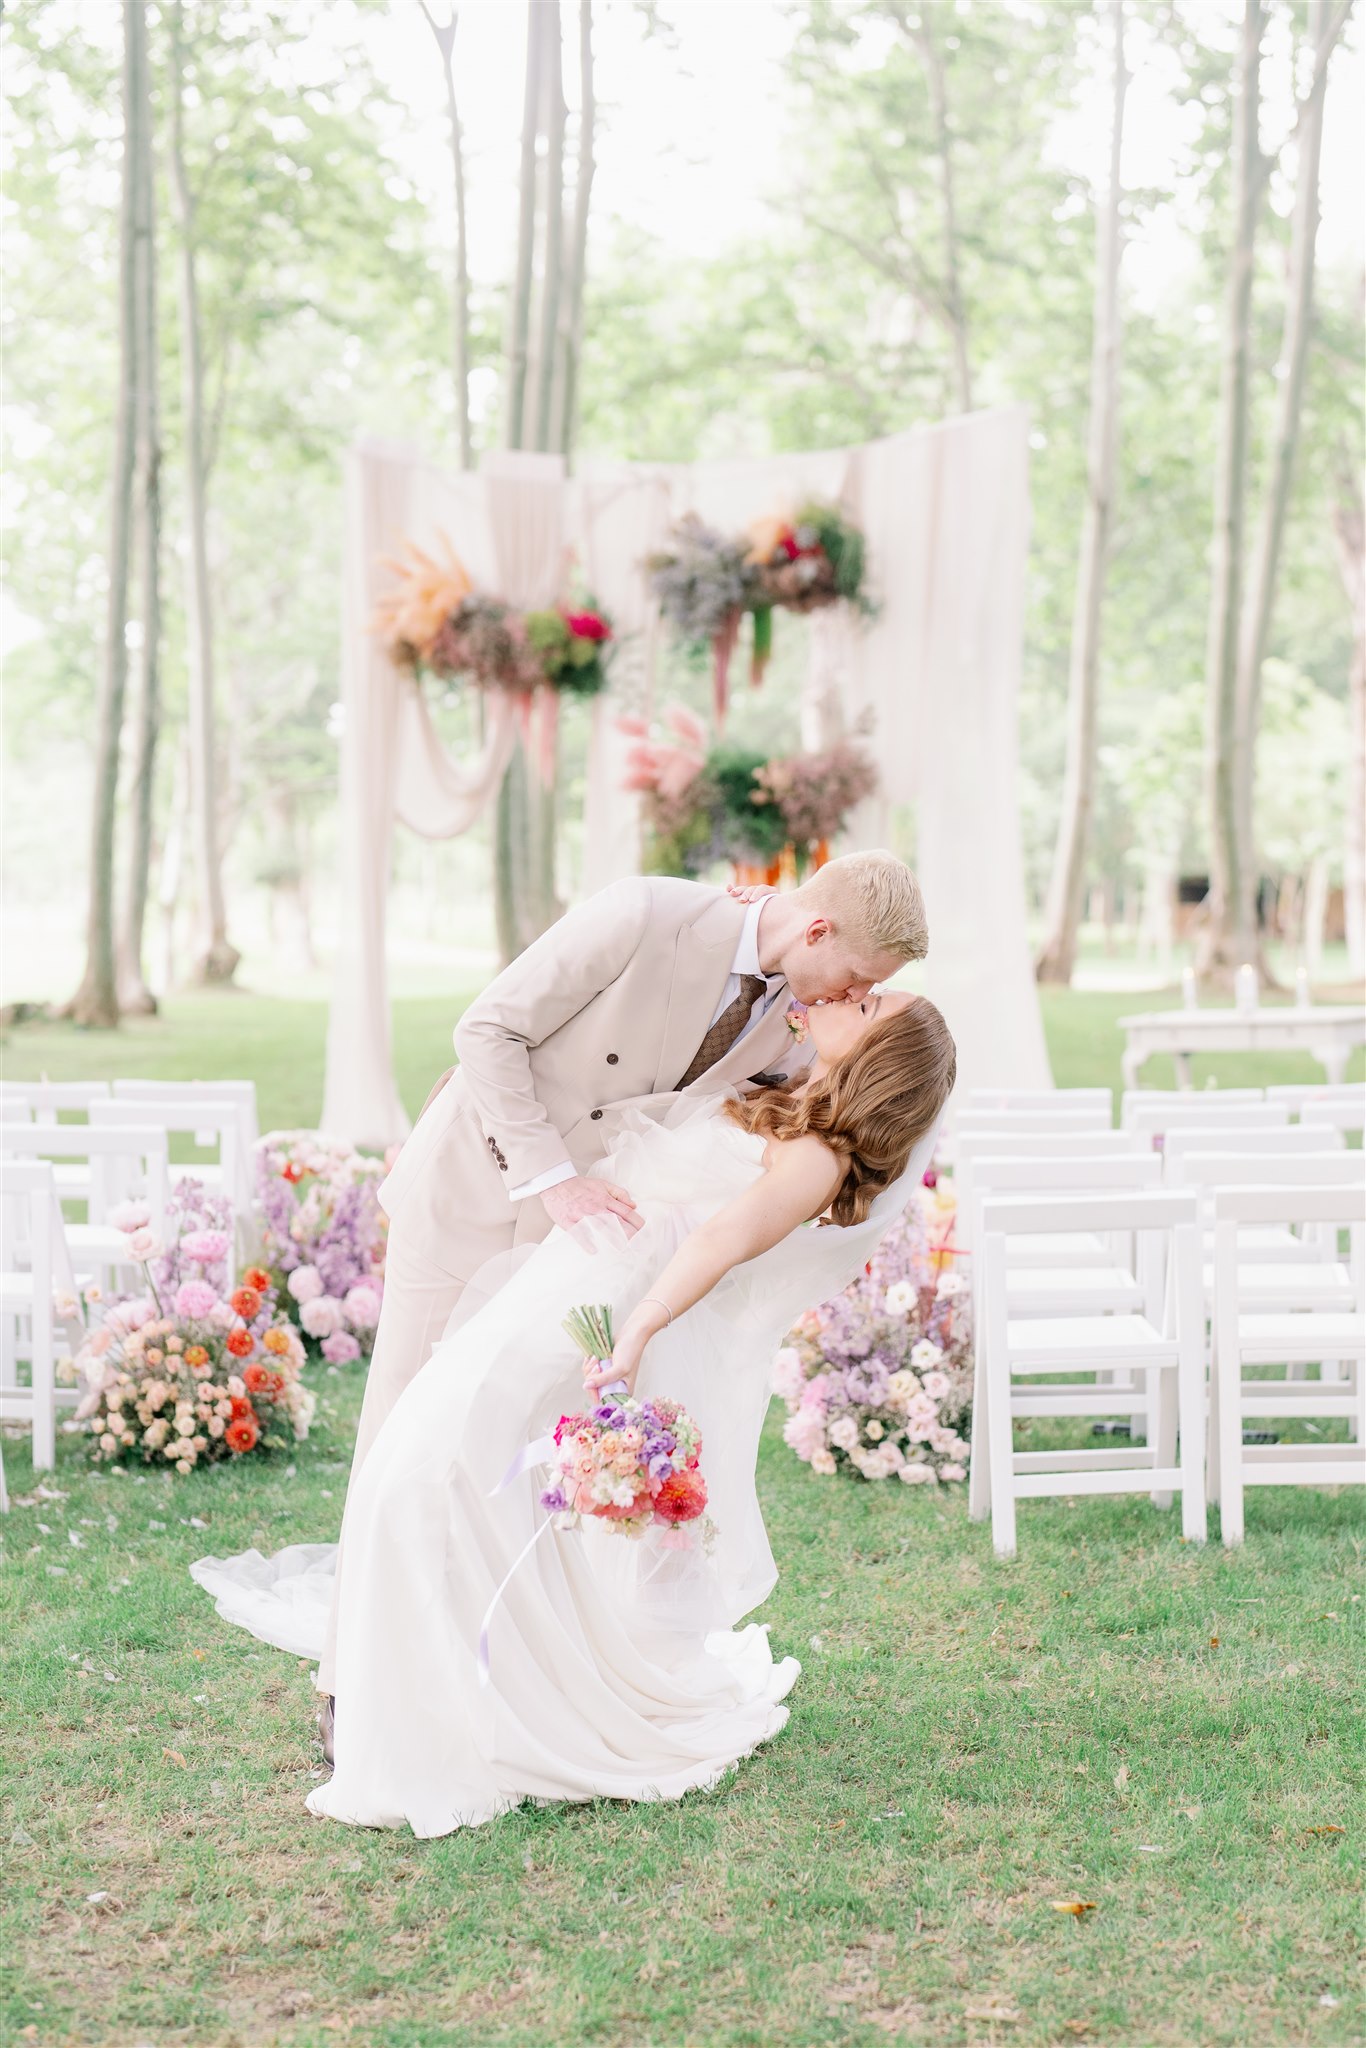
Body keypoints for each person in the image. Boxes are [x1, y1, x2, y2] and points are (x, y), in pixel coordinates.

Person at [192, 987, 956, 1836]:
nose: (853, 994)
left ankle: (452, 1710)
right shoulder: (790, 1091)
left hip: (608, 1295)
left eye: (871, 1005)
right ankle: (440, 1687)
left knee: (430, 1461)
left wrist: (635, 1333)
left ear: (881, 1061)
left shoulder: (819, 1157)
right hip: (578, 1266)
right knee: (434, 1459)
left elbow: (718, 1241)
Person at [311, 854, 930, 1737]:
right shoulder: (642, 914)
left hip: (576, 1252)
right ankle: (350, 1687)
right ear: (819, 930)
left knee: (504, 1456)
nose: (854, 996)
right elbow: (488, 1030)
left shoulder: (798, 1023)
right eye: (860, 978)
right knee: (403, 1430)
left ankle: (476, 1676)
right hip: (475, 1191)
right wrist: (551, 1178)